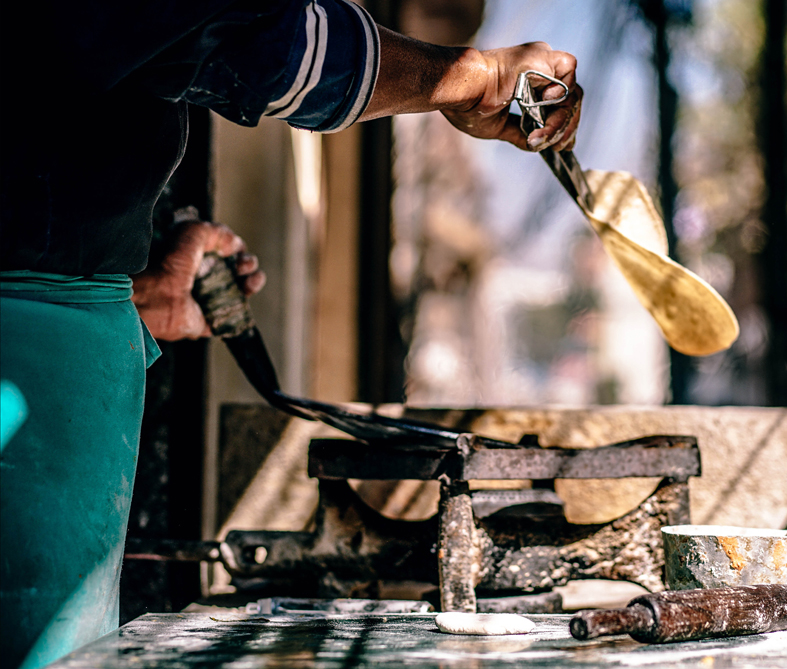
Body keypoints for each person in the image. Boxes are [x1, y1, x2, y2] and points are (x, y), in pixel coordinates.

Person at [0, 2, 582, 667]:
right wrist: (466, 77)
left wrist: (134, 280)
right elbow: (255, 37)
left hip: (73, 317)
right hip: (33, 332)